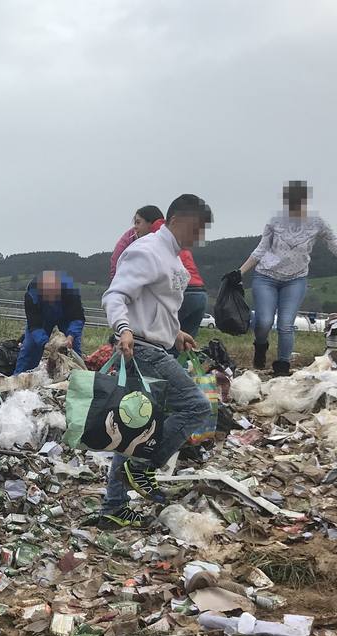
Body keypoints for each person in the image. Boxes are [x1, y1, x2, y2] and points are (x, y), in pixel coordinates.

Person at [98, 194, 215, 525]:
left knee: (135, 427)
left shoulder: (175, 261)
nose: (199, 237)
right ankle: (141, 466)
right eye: (196, 229)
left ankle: (113, 508)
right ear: (177, 221)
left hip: (156, 345)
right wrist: (122, 329)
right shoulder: (146, 251)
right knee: (196, 406)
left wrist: (175, 333)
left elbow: (158, 306)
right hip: (140, 349)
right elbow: (116, 295)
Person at [237, 180, 337, 375]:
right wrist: (239, 272)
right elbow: (260, 249)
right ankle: (260, 346)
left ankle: (282, 366)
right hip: (266, 277)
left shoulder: (317, 223)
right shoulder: (275, 220)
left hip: (295, 280)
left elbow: (336, 245)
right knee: (264, 321)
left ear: (305, 202)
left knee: (286, 324)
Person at [112, 207, 207, 339]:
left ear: (150, 223)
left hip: (183, 291)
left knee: (162, 342)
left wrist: (116, 283)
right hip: (200, 294)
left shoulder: (151, 243)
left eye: (138, 222)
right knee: (182, 347)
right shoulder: (173, 238)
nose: (135, 228)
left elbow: (117, 258)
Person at [15, 270, 85, 374]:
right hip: (42, 318)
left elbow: (77, 317)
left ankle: (78, 377)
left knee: (73, 348)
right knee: (30, 347)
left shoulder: (71, 290)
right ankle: (19, 378)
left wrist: (71, 336)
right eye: (47, 295)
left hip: (65, 316)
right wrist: (45, 344)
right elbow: (34, 325)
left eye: (54, 294)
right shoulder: (32, 294)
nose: (51, 298)